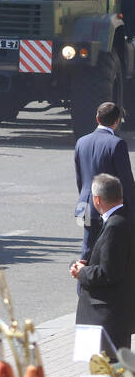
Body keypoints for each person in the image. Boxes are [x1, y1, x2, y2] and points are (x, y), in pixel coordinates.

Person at [71, 174, 135, 353]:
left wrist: (82, 272)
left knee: (106, 373)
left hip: (106, 318)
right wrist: (88, 265)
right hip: (112, 316)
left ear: (97, 199)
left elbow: (108, 273)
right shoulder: (122, 220)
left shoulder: (115, 226)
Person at [74, 102, 135, 263]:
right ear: (116, 121)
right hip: (108, 207)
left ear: (97, 118)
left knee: (87, 248)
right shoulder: (117, 144)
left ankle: (83, 283)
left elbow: (80, 179)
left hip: (86, 204)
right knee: (108, 251)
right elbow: (126, 181)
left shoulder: (81, 142)